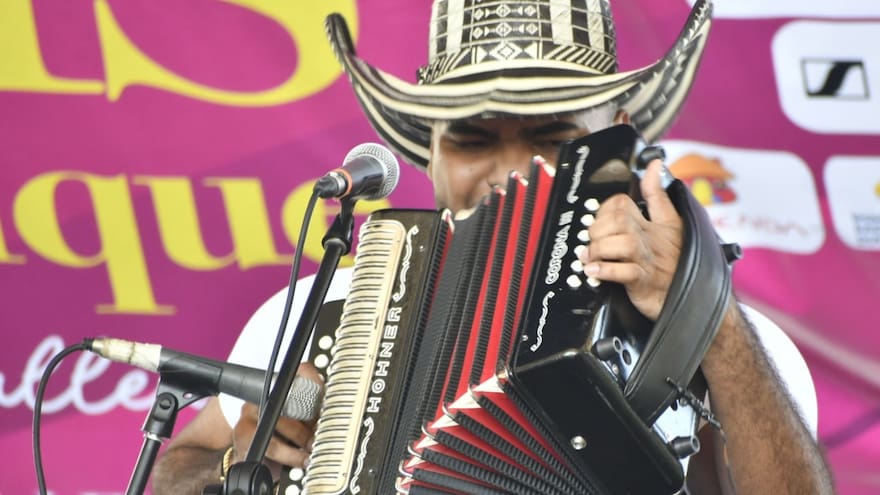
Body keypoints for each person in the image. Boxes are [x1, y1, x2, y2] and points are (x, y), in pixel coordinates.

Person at [152, 0, 834, 493]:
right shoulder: (311, 308)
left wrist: (709, 319)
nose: (511, 170)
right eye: (474, 139)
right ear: (430, 153)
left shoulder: (736, 340)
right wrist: (234, 465)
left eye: (553, 136)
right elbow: (177, 468)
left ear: (620, 136)